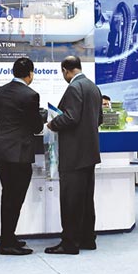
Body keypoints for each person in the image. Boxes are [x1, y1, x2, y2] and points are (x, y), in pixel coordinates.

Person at [45, 56, 104, 255]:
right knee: (86, 200)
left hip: (73, 154)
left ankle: (69, 243)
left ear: (65, 70)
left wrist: (52, 123)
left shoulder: (74, 87)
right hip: (89, 153)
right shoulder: (93, 87)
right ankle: (88, 239)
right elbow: (99, 119)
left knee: (70, 200)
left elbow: (70, 117)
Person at [0, 57, 45, 256]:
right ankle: (6, 243)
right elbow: (36, 126)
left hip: (1, 151)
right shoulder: (30, 95)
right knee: (15, 198)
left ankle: (9, 237)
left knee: (8, 196)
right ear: (30, 74)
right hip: (18, 153)